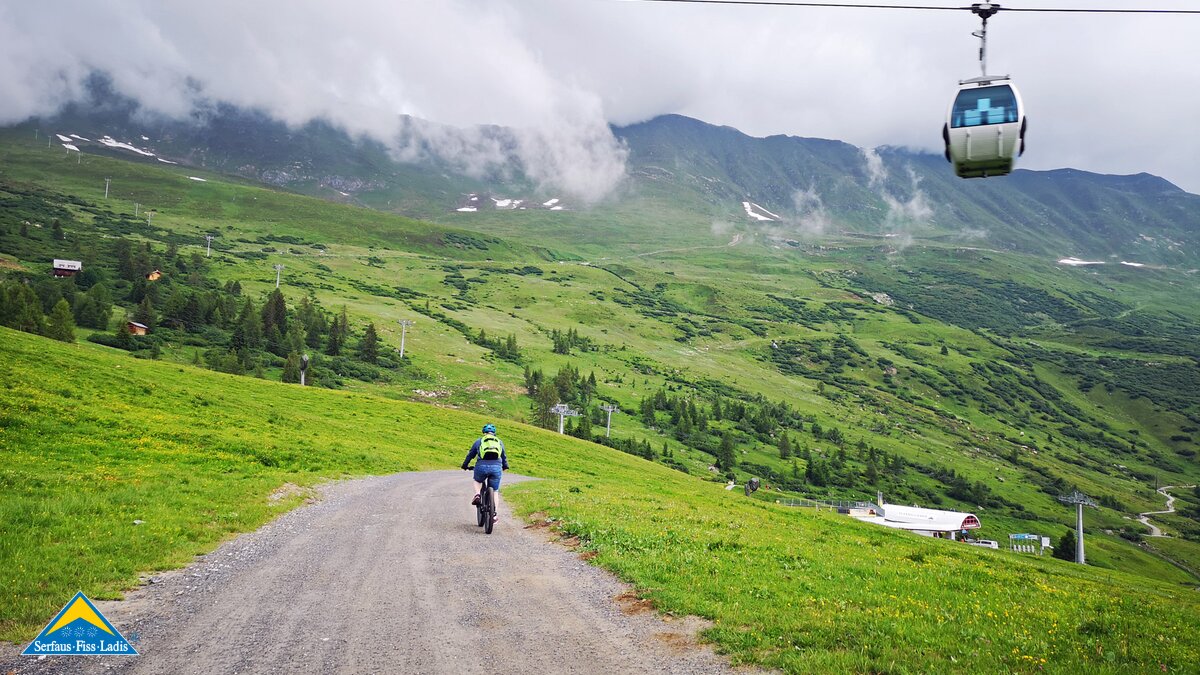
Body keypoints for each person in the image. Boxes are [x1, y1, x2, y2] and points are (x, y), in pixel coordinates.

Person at [461, 423, 509, 522]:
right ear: (494, 433)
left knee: (477, 480)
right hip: (496, 467)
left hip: (481, 466)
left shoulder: (479, 441)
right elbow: (503, 456)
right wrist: (505, 466)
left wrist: (465, 465)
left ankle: (478, 494)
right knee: (495, 491)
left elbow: (470, 455)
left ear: (484, 432)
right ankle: (494, 514)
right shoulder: (499, 442)